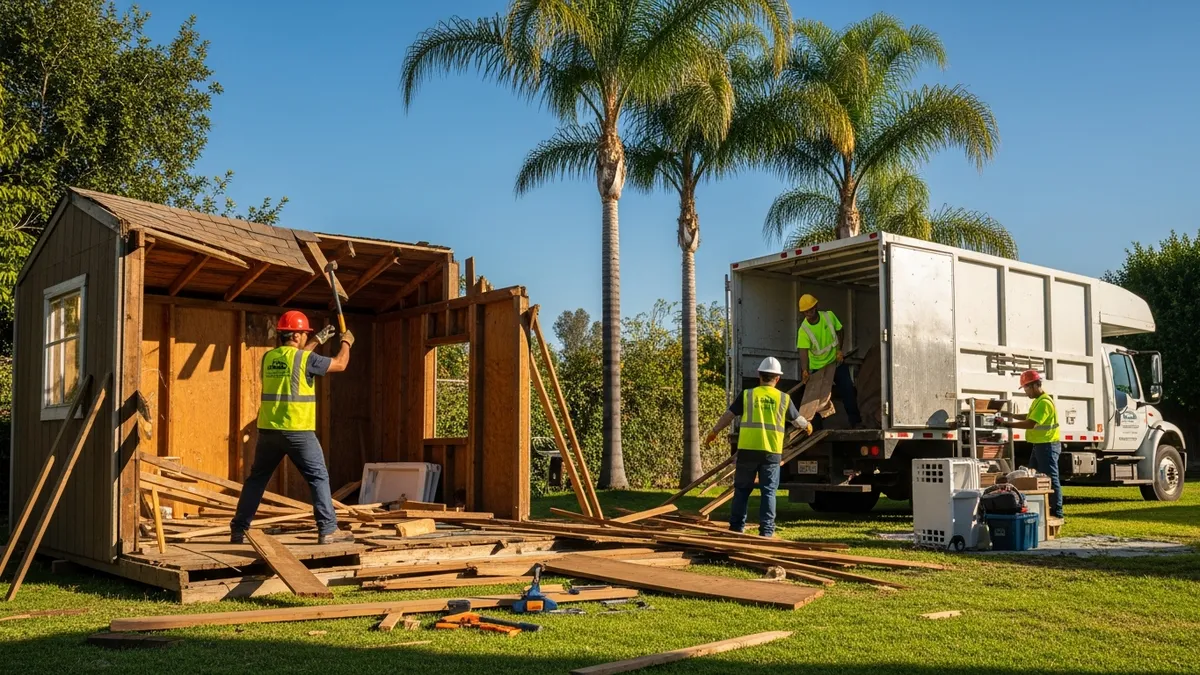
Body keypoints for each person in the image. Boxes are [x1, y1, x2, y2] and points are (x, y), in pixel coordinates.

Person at [231, 310, 355, 544]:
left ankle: (239, 529)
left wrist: (317, 340)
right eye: (304, 334)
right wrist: (346, 342)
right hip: (298, 430)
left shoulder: (269, 358)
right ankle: (328, 529)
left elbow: (296, 360)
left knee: (256, 480)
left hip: (268, 432)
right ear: (297, 335)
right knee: (318, 477)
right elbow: (340, 364)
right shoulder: (304, 359)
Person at [703, 357, 811, 537]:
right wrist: (807, 425)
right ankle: (767, 531)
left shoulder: (747, 395)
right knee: (768, 492)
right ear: (777, 378)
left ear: (759, 376)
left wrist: (714, 431)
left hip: (747, 451)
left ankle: (737, 528)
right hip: (771, 453)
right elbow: (797, 420)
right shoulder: (783, 398)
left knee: (742, 490)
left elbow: (729, 415)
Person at [998, 369, 1064, 519]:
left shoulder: (1044, 403)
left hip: (1047, 445)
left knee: (1050, 478)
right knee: (1032, 477)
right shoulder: (1039, 401)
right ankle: (1039, 508)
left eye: (1026, 388)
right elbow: (1029, 416)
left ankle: (1057, 512)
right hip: (1040, 445)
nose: (1025, 392)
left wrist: (1008, 424)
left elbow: (1031, 423)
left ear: (1034, 385)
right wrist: (1011, 415)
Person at [796, 293, 860, 429]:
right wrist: (805, 370)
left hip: (835, 363)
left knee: (847, 390)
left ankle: (855, 422)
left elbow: (840, 330)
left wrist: (839, 351)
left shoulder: (828, 316)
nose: (808, 313)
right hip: (818, 368)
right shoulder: (804, 330)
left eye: (811, 309)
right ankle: (816, 429)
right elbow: (803, 351)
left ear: (816, 307)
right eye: (805, 311)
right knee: (816, 399)